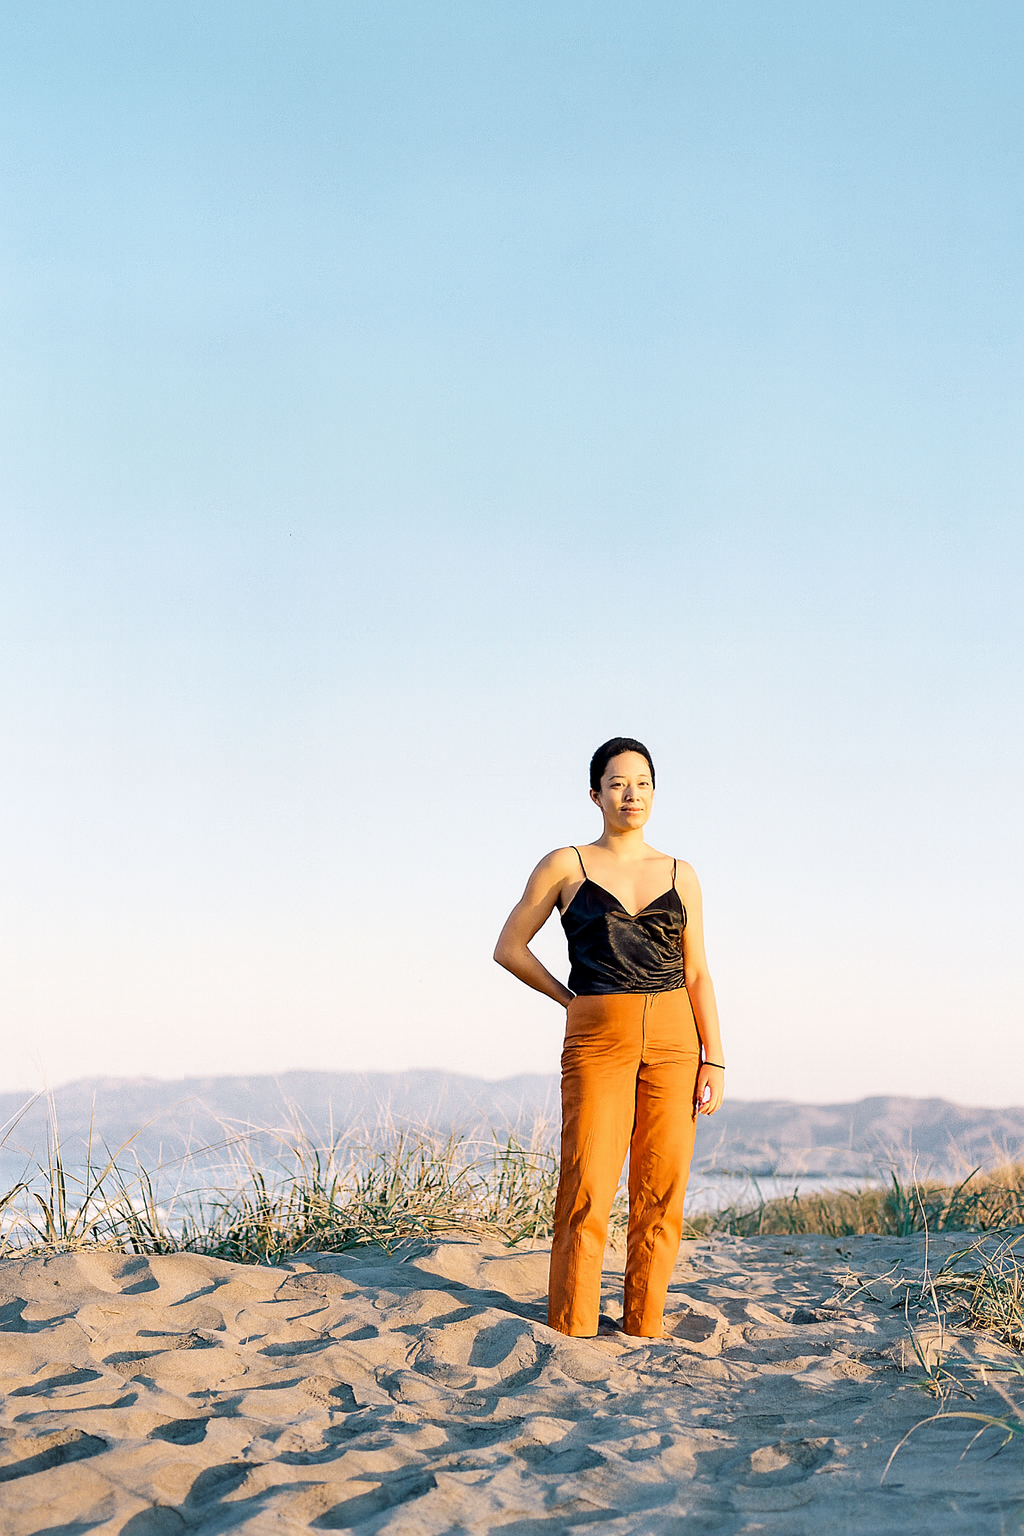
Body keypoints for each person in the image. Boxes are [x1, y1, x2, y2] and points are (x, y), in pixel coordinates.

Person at [493, 736, 725, 1339]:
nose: (632, 794)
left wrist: (715, 1059)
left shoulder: (682, 873)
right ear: (595, 793)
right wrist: (570, 1001)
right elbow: (509, 948)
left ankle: (645, 1324)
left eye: (643, 783)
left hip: (677, 1040)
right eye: (619, 783)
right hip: (599, 1040)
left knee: (662, 1186)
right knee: (588, 1183)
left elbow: (697, 971)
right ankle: (572, 1325)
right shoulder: (565, 864)